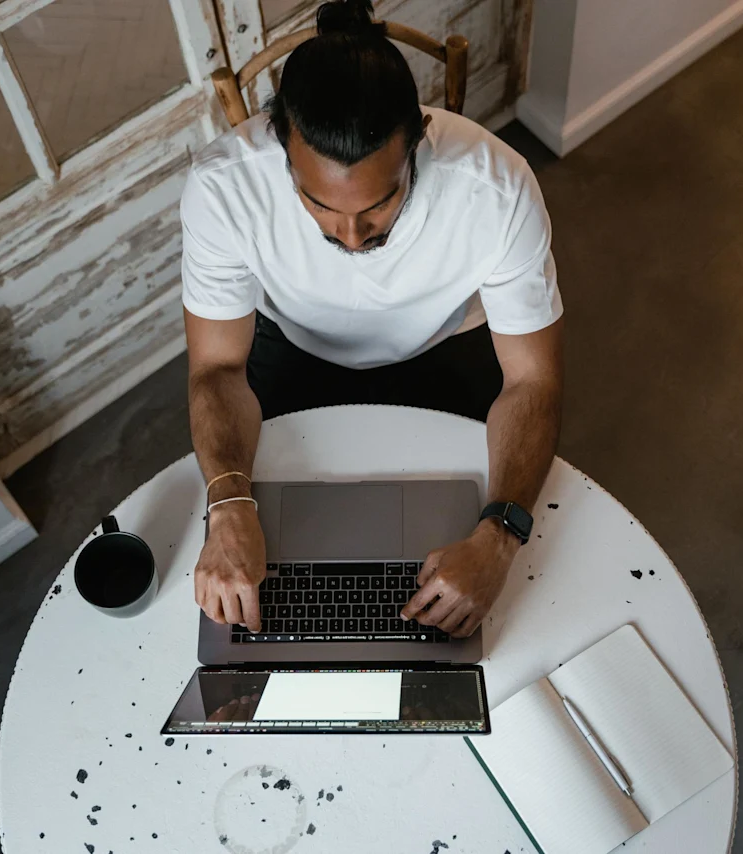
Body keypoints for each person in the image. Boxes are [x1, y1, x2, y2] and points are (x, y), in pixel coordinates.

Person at [181, 0, 563, 639]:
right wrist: (225, 508)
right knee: (270, 551)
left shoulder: (499, 188)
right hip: (291, 347)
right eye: (320, 205)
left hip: (446, 342)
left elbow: (534, 381)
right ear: (280, 147)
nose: (352, 237)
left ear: (419, 139)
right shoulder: (223, 189)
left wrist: (500, 536)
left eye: (379, 205)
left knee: (478, 553)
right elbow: (218, 365)